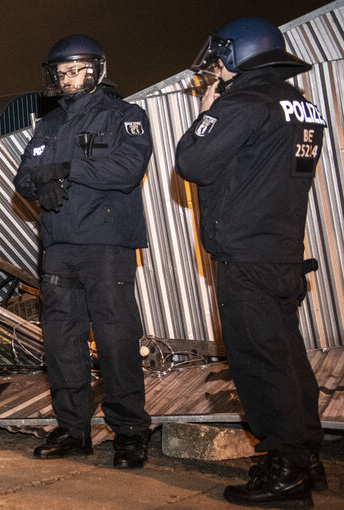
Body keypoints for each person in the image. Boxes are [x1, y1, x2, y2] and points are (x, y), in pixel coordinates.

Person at [175, 17, 327, 507]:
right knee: (288, 360)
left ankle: (287, 474)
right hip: (282, 250)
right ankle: (307, 458)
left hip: (246, 256)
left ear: (239, 55)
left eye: (220, 59)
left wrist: (205, 111)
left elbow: (193, 163)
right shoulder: (300, 104)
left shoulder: (243, 102)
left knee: (260, 365)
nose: (215, 69)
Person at [13, 35, 152, 469]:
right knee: (61, 342)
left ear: (96, 71)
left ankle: (130, 431)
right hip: (57, 247)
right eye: (61, 73)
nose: (67, 79)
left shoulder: (125, 115)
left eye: (75, 70)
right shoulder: (48, 124)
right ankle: (73, 429)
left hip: (106, 243)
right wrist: (44, 180)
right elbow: (24, 179)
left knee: (115, 339)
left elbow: (128, 169)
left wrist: (67, 170)